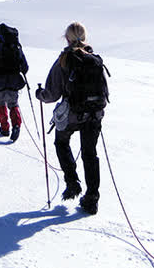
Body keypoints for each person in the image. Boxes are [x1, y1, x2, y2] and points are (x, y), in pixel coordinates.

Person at [35, 22, 106, 215]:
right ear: (84, 37)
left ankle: (72, 181)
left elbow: (52, 94)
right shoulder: (94, 59)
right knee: (90, 153)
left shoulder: (64, 60)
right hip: (94, 113)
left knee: (61, 142)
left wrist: (40, 94)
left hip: (73, 113)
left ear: (67, 38)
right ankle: (92, 198)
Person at [0, 23, 29, 141]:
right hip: (14, 81)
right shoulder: (16, 46)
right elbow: (25, 67)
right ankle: (16, 125)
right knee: (13, 104)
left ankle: (5, 128)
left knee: (0, 104)